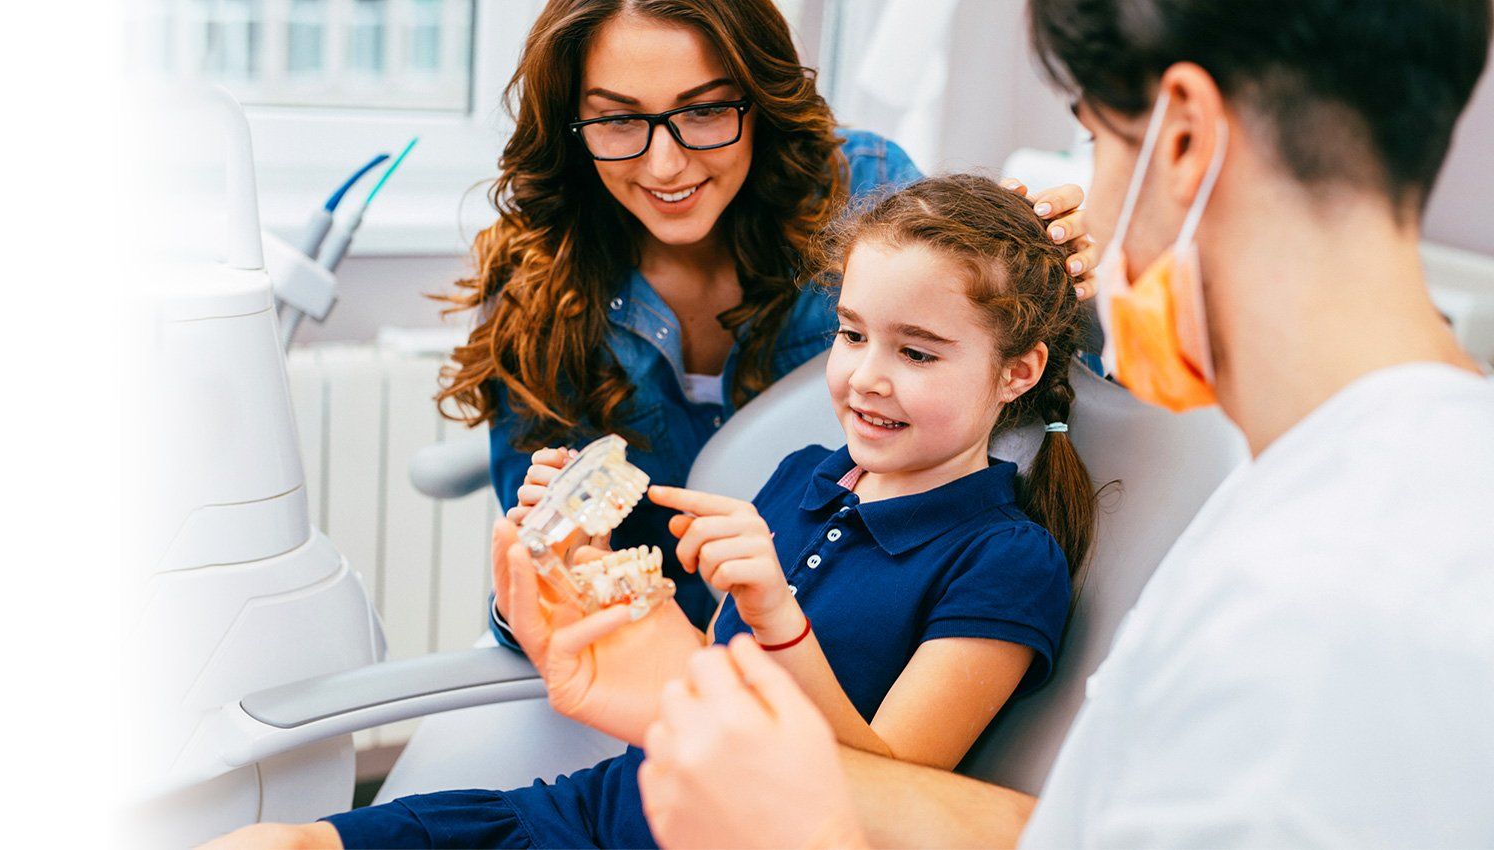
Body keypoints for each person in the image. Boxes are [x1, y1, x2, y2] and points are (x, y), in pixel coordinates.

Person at [633, 1, 1494, 847]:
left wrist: (809, 833)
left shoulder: (1319, 616)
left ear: (1183, 141)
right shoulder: (1365, 490)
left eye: (1094, 139)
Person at [207, 174, 1095, 849]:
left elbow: (887, 796)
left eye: (919, 352)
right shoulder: (804, 477)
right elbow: (696, 673)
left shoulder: (1007, 560)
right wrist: (593, 567)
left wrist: (779, 620)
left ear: (1017, 372)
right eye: (853, 333)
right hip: (603, 809)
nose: (867, 376)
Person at [429, 0, 1093, 639]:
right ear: (571, 122)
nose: (666, 165)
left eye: (708, 109)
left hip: (839, 649)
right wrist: (562, 568)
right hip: (646, 648)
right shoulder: (537, 282)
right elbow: (543, 596)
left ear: (759, 91)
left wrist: (1055, 279)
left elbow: (1011, 383)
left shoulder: (863, 190)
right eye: (618, 121)